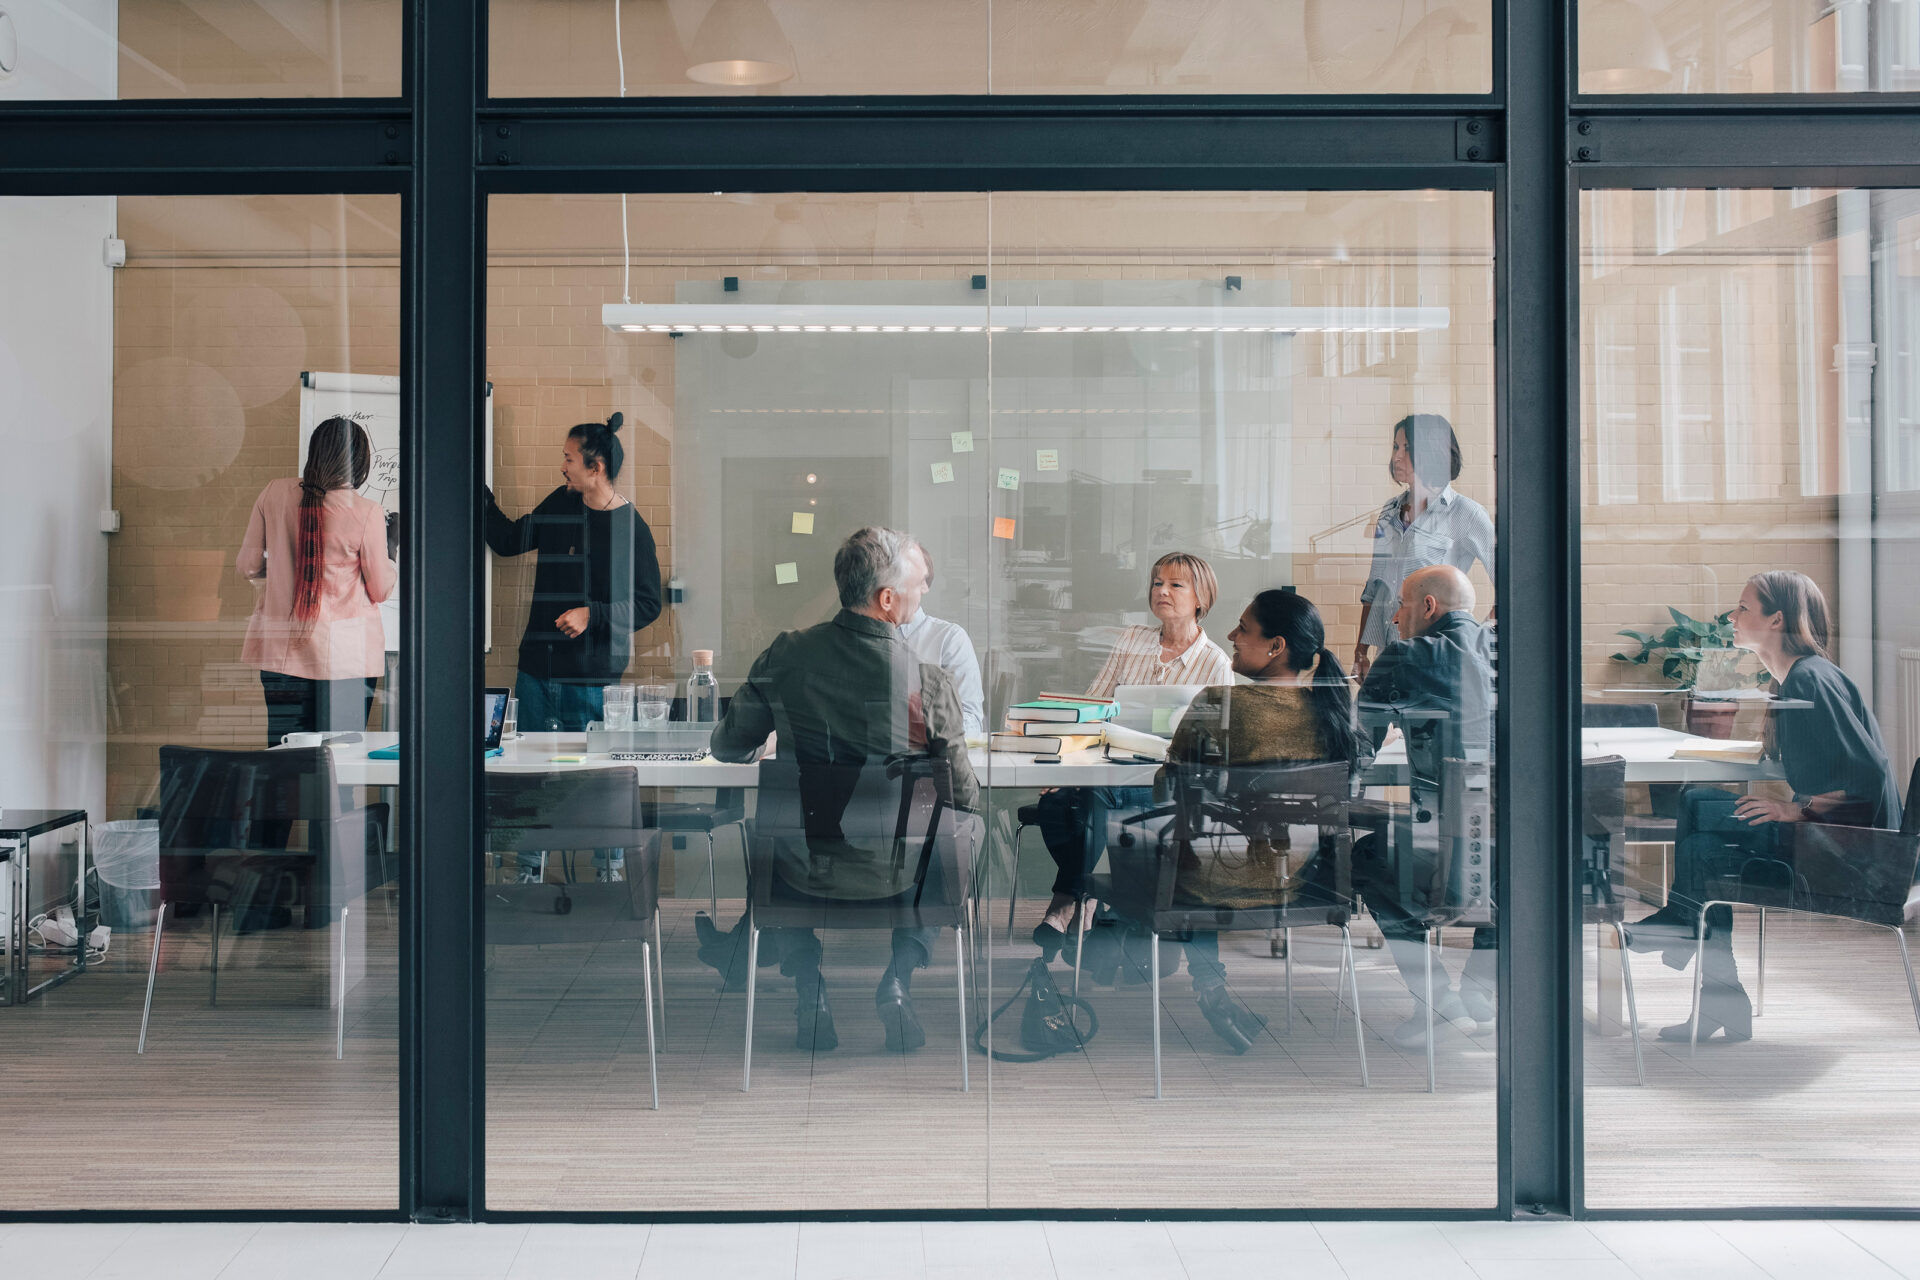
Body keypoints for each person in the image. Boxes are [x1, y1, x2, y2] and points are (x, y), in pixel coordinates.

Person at [705, 527, 980, 1054]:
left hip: (802, 869)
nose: (922, 595)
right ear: (886, 598)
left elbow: (727, 747)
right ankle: (898, 978)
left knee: (778, 831)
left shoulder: (787, 654)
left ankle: (811, 988)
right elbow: (964, 794)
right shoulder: (927, 679)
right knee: (965, 828)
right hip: (901, 877)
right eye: (917, 586)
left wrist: (775, 736)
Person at [1626, 571, 1902, 1044]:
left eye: (1743, 608)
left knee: (1705, 850)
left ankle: (1686, 935)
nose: (1731, 617)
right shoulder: (1797, 678)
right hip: (1831, 842)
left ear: (1777, 619)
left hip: (1851, 856)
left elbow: (1871, 777)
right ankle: (1705, 970)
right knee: (1697, 804)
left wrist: (1798, 810)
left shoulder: (1810, 680)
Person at [1145, 589, 1359, 1053]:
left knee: (1160, 855)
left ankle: (1206, 987)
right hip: (1305, 883)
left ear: (1277, 646)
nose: (1231, 636)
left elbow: (1168, 785)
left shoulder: (1221, 702)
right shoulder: (1333, 714)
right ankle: (1206, 989)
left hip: (1219, 884)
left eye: (1244, 628)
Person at [484, 412, 664, 882]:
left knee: (599, 788)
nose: (562, 466)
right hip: (537, 673)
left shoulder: (630, 526)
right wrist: (474, 487)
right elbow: (507, 541)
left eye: (568, 458)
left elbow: (648, 604)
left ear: (596, 466)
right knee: (529, 785)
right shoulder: (560, 504)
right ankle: (525, 883)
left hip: (594, 681)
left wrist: (593, 614)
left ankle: (611, 883)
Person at [1030, 551, 1234, 942]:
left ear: (1200, 598)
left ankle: (1066, 899)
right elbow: (1093, 708)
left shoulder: (1215, 663)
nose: (1163, 591)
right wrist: (1067, 765)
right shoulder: (1132, 640)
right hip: (1107, 771)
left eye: (1176, 584)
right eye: (1158, 582)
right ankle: (1085, 893)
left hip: (1167, 785)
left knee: (1091, 798)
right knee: (1056, 803)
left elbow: (1213, 746)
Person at [1353, 564, 1498, 1051]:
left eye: (1401, 607)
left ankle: (1436, 1002)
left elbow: (1356, 750)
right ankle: (1484, 990)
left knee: (1368, 857)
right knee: (1500, 863)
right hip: (1533, 862)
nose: (1395, 618)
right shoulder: (1514, 651)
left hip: (1453, 859)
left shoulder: (1408, 655)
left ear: (1429, 608)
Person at [238, 415, 395, 748]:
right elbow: (380, 589)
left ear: (315, 453)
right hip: (345, 660)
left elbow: (248, 566)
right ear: (360, 462)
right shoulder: (366, 511)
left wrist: (283, 565)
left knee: (286, 765)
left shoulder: (273, 493)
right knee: (342, 768)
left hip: (282, 654)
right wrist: (392, 552)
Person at [1351, 414, 1494, 684]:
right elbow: (1374, 589)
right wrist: (1361, 650)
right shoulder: (1388, 512)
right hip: (1389, 657)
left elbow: (1510, 588)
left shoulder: (1466, 514)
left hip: (1438, 661)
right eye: (1395, 447)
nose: (1396, 457)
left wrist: (1476, 639)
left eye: (1406, 448)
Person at [898, 540, 985, 736]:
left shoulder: (949, 639)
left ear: (924, 585)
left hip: (929, 760)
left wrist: (918, 725)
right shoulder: (860, 637)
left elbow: (972, 723)